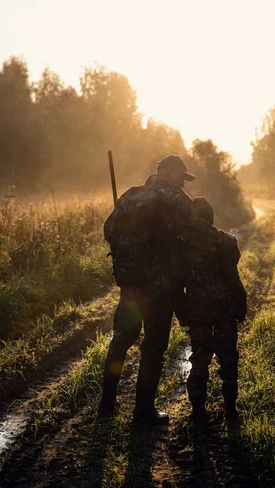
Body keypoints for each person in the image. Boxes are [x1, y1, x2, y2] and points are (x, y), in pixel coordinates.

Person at [98, 154, 195, 424]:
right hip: (160, 289)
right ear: (172, 174)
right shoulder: (176, 199)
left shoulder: (131, 195)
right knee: (153, 347)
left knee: (121, 341)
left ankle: (106, 403)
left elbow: (108, 231)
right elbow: (193, 237)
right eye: (182, 178)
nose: (183, 184)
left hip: (130, 284)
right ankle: (143, 411)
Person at [184, 196, 247, 422]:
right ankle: (230, 410)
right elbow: (233, 279)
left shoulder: (182, 245)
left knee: (199, 360)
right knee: (228, 360)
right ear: (210, 217)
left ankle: (198, 411)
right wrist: (241, 304)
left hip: (198, 310)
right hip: (224, 310)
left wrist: (182, 311)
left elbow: (177, 281)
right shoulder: (226, 241)